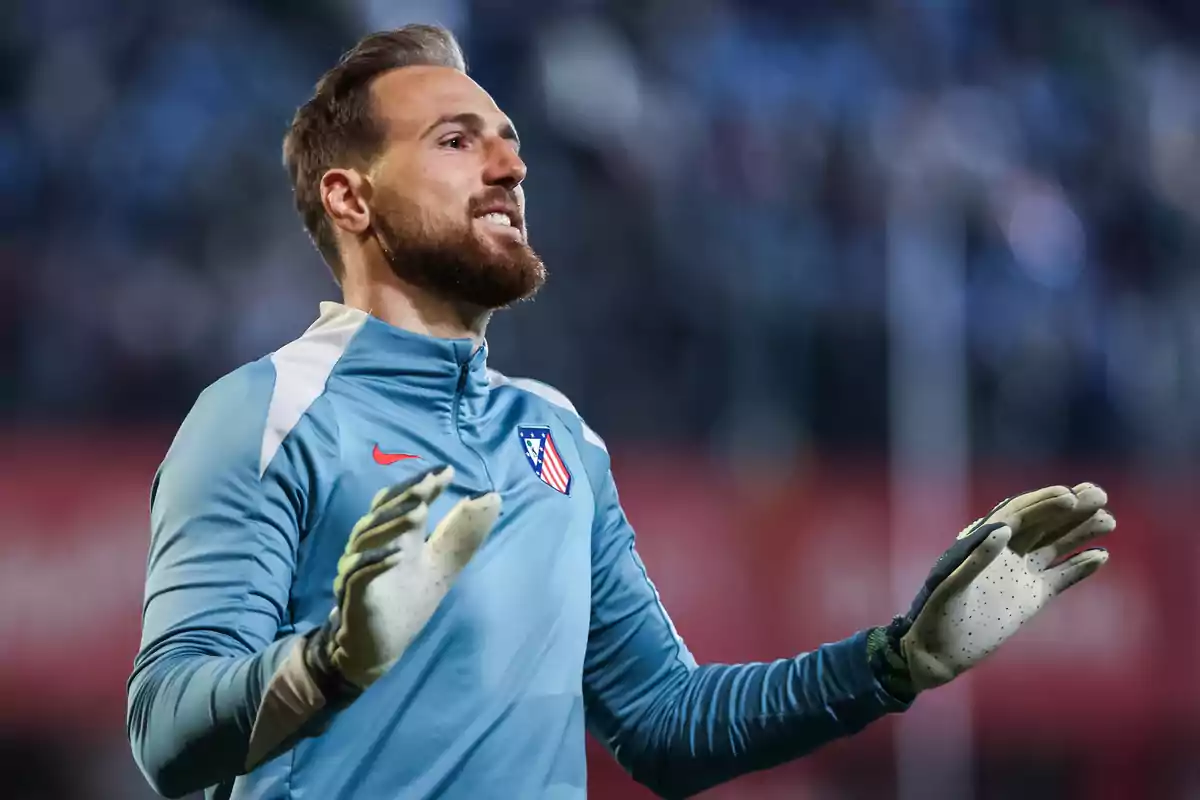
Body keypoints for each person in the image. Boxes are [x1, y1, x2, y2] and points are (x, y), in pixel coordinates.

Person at [126, 24, 1117, 800]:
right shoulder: (262, 413)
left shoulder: (556, 436)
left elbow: (666, 724)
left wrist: (896, 660)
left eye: (509, 145)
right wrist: (333, 660)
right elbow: (167, 731)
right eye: (457, 141)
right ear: (350, 199)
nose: (508, 168)